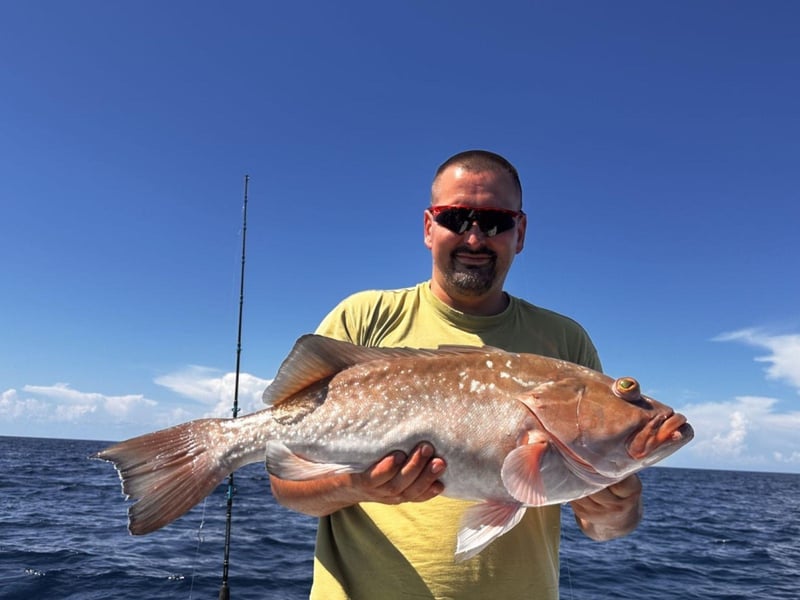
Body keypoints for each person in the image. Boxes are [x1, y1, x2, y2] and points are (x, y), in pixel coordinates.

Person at [269, 150, 643, 599]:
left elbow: (600, 528)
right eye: (456, 217)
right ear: (429, 227)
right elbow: (287, 487)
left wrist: (617, 509)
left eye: (494, 221)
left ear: (520, 232)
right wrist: (359, 485)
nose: (473, 237)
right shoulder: (363, 318)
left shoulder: (564, 341)